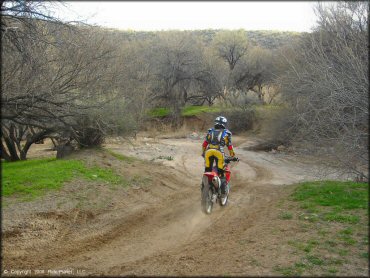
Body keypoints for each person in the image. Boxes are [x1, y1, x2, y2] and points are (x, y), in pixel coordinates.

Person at [201, 116, 236, 197]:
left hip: (208, 152)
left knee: (207, 171)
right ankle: (223, 191)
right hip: (219, 153)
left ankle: (203, 188)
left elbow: (204, 144)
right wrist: (232, 156)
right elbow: (229, 146)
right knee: (221, 172)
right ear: (224, 124)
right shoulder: (227, 133)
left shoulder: (210, 131)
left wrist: (203, 153)